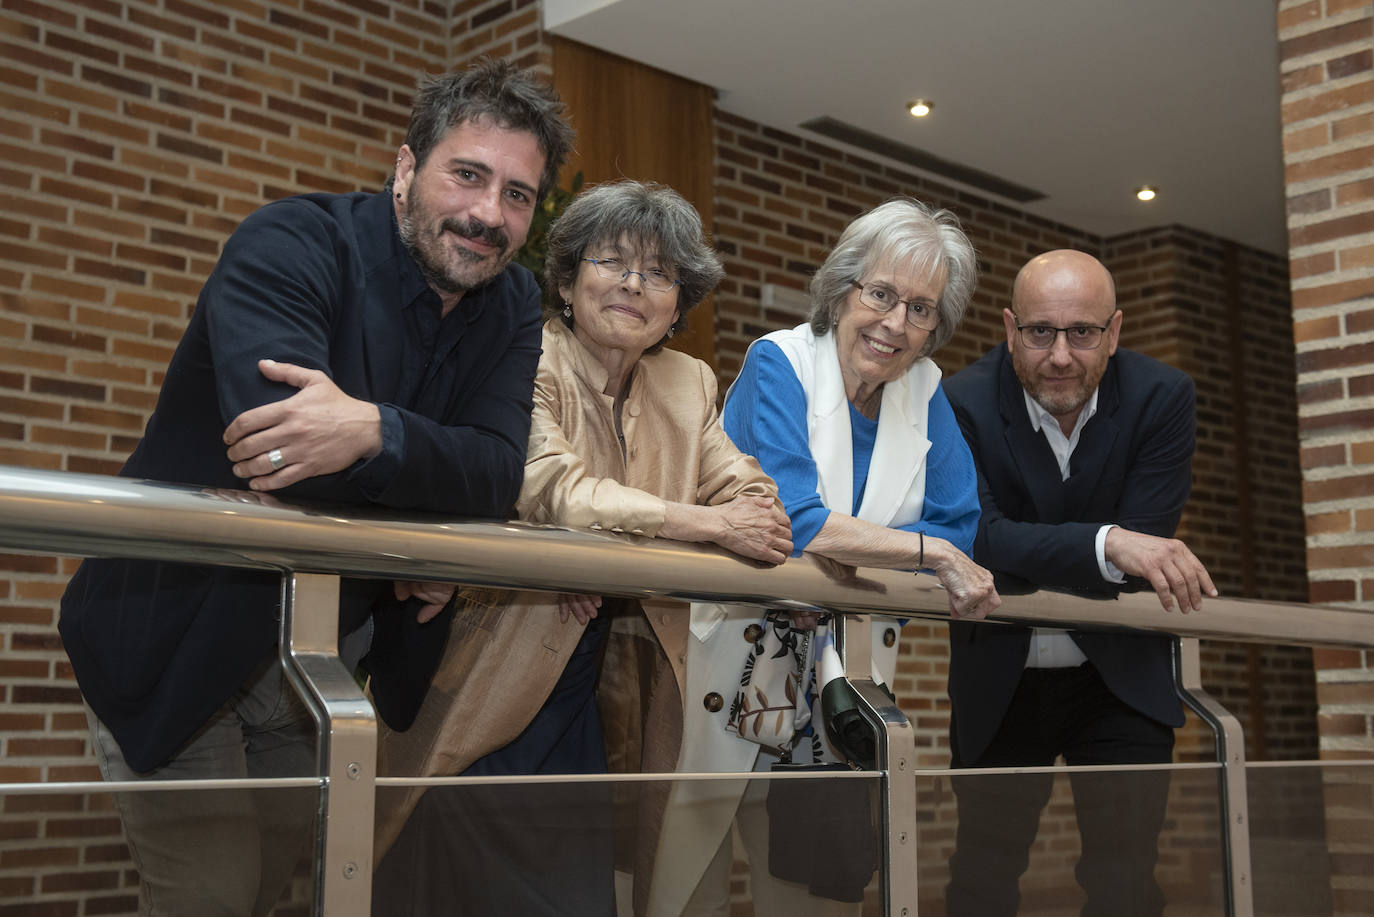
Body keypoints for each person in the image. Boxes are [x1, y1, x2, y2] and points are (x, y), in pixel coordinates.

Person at [56, 58, 574, 917]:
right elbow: (278, 447)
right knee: (213, 899)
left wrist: (371, 429)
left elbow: (492, 476)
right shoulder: (292, 242)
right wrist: (414, 516)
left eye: (518, 194)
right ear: (406, 170)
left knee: (274, 896)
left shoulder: (513, 304)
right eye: (468, 175)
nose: (489, 214)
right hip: (173, 639)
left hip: (310, 663)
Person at [369, 179, 793, 917]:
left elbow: (753, 497)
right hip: (494, 664)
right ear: (566, 281)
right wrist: (703, 526)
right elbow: (553, 489)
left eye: (659, 273)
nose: (634, 283)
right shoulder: (526, 352)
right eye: (612, 261)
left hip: (606, 686)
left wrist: (643, 537)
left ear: (676, 306)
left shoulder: (688, 382)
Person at [648, 198, 1001, 916]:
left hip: (841, 690)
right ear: (843, 288)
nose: (895, 323)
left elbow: (964, 527)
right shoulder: (780, 362)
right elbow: (795, 518)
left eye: (921, 308)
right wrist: (917, 550)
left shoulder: (926, 392)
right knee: (689, 889)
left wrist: (866, 547)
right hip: (734, 671)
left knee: (818, 899)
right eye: (881, 294)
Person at [941, 249, 1218, 916]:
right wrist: (1106, 541)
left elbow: (1147, 536)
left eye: (1082, 332)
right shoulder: (958, 401)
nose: (1060, 355)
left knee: (1126, 885)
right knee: (981, 878)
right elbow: (976, 537)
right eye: (1040, 332)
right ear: (1009, 329)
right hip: (999, 680)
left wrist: (1102, 546)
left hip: (1120, 676)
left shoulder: (1162, 396)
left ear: (1114, 332)